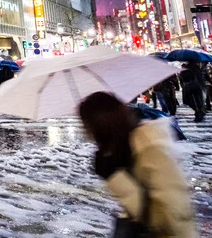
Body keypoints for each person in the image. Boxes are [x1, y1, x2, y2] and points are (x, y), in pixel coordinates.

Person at [77, 92, 196, 237]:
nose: (86, 131)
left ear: (101, 124)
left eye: (87, 124)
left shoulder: (149, 145)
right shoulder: (120, 146)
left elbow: (173, 208)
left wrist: (114, 177)